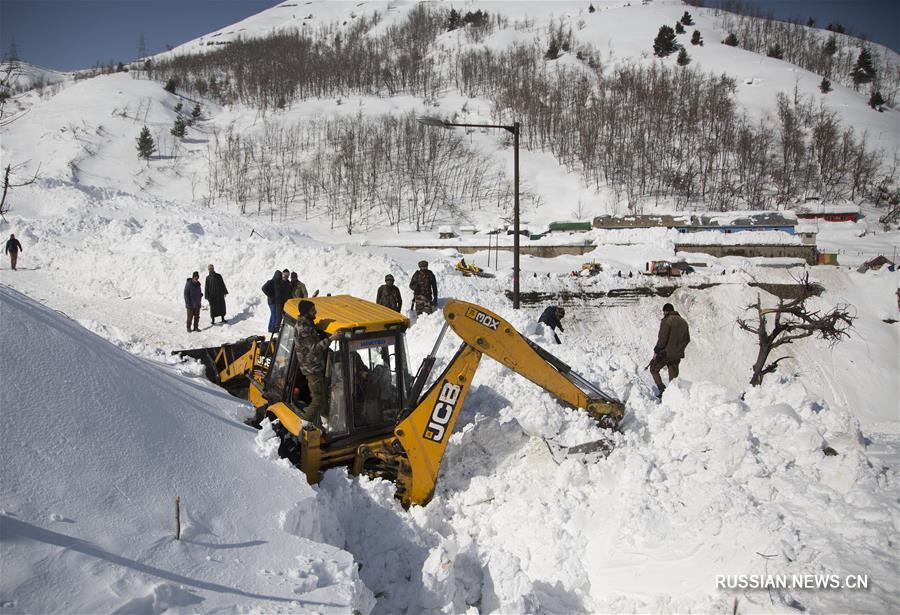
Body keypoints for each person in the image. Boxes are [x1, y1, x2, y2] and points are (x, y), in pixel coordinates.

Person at [293, 300, 342, 425]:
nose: (315, 312)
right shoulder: (303, 328)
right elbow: (314, 349)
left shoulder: (308, 323)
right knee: (318, 399)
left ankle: (325, 420)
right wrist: (331, 338)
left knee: (323, 393)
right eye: (312, 310)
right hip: (311, 368)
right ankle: (304, 424)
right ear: (305, 312)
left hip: (315, 365)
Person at [649, 303, 691, 398]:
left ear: (665, 311)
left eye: (663, 312)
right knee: (673, 378)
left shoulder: (667, 320)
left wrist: (658, 348)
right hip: (677, 355)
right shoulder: (683, 322)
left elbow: (663, 338)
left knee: (653, 369)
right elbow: (687, 339)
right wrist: (679, 349)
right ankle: (673, 396)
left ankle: (662, 390)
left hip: (666, 354)